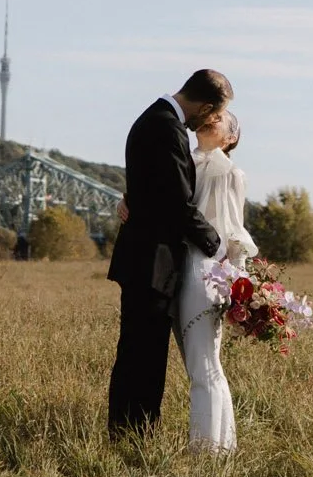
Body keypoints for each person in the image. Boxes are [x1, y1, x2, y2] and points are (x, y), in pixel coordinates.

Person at [105, 69, 230, 438]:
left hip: (147, 260)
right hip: (152, 262)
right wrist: (217, 246)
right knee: (143, 356)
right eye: (212, 115)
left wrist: (131, 200)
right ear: (206, 106)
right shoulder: (165, 127)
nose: (209, 122)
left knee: (138, 352)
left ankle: (130, 432)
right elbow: (176, 202)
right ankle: (134, 434)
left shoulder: (154, 119)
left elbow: (153, 189)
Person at [179, 108, 258, 451]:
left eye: (222, 118)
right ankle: (220, 446)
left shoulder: (230, 173)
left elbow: (235, 235)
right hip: (179, 270)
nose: (213, 117)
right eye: (211, 112)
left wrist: (241, 286)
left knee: (205, 365)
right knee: (201, 365)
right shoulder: (184, 161)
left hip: (205, 274)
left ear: (231, 138)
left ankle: (209, 451)